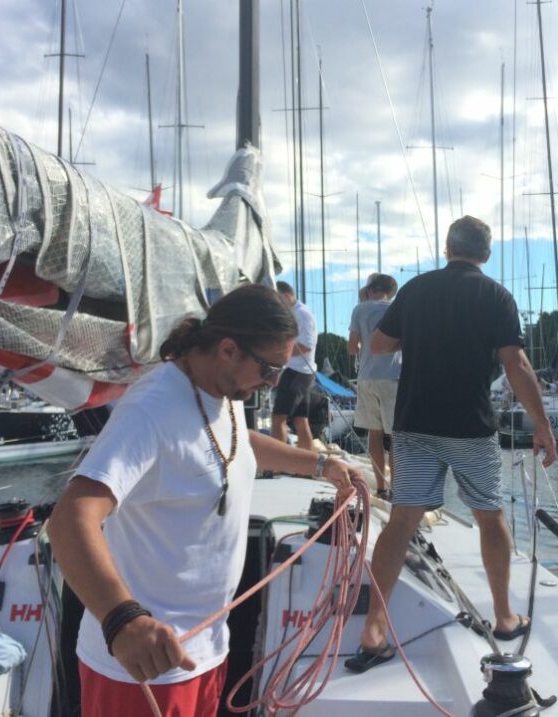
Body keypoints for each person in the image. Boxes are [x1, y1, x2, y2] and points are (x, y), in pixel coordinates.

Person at [47, 284, 357, 717]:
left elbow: (235, 442)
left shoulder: (220, 390)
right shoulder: (150, 409)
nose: (273, 382)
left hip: (205, 650)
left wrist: (320, 465)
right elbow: (69, 519)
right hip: (143, 667)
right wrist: (122, 620)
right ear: (228, 349)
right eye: (270, 369)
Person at [345, 215, 557, 673]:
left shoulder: (415, 290)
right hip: (470, 426)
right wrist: (541, 423)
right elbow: (516, 364)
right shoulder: (496, 296)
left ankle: (374, 629)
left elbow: (378, 346)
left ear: (447, 248)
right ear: (486, 254)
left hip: (415, 423)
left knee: (402, 521)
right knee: (488, 515)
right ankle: (504, 616)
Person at [347, 273, 401, 498]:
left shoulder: (359, 310)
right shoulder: (397, 308)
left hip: (367, 378)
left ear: (369, 290)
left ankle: (381, 488)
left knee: (374, 434)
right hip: (393, 377)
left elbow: (352, 348)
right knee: (396, 436)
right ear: (391, 291)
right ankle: (397, 490)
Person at [270, 281, 318, 450]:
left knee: (278, 419)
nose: (277, 304)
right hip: (302, 373)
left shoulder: (301, 314)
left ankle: (278, 461)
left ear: (287, 296)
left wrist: (278, 354)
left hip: (297, 372)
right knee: (300, 420)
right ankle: (307, 461)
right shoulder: (296, 313)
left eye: (278, 300)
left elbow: (306, 346)